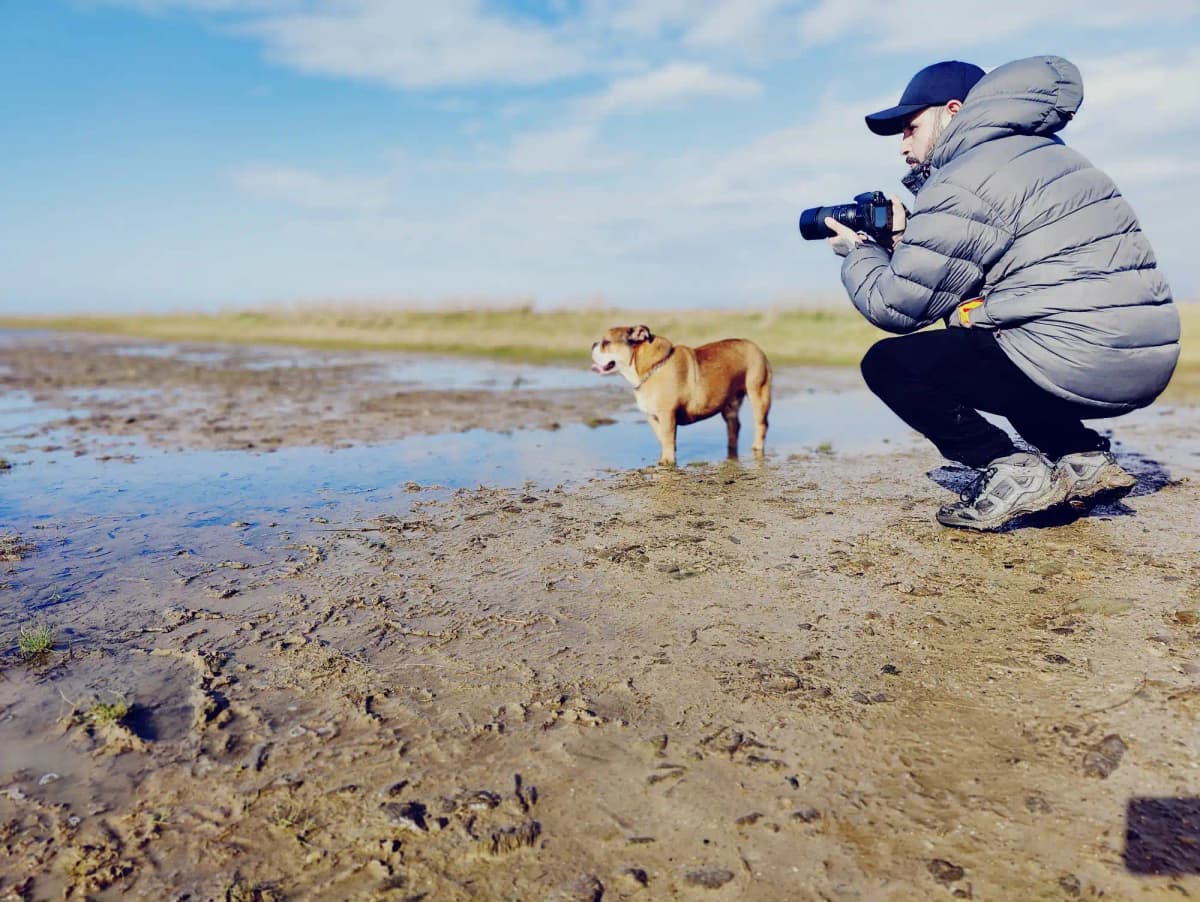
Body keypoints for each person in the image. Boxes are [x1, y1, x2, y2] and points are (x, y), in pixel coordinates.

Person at [824, 56, 1180, 531]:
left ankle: (1013, 470)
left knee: (889, 364)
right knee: (995, 341)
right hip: (1141, 359)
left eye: (909, 127)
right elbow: (981, 289)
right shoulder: (1052, 156)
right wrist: (906, 242)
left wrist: (860, 252)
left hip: (1075, 356)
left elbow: (895, 306)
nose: (902, 144)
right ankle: (1082, 458)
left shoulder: (967, 175)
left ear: (953, 111)